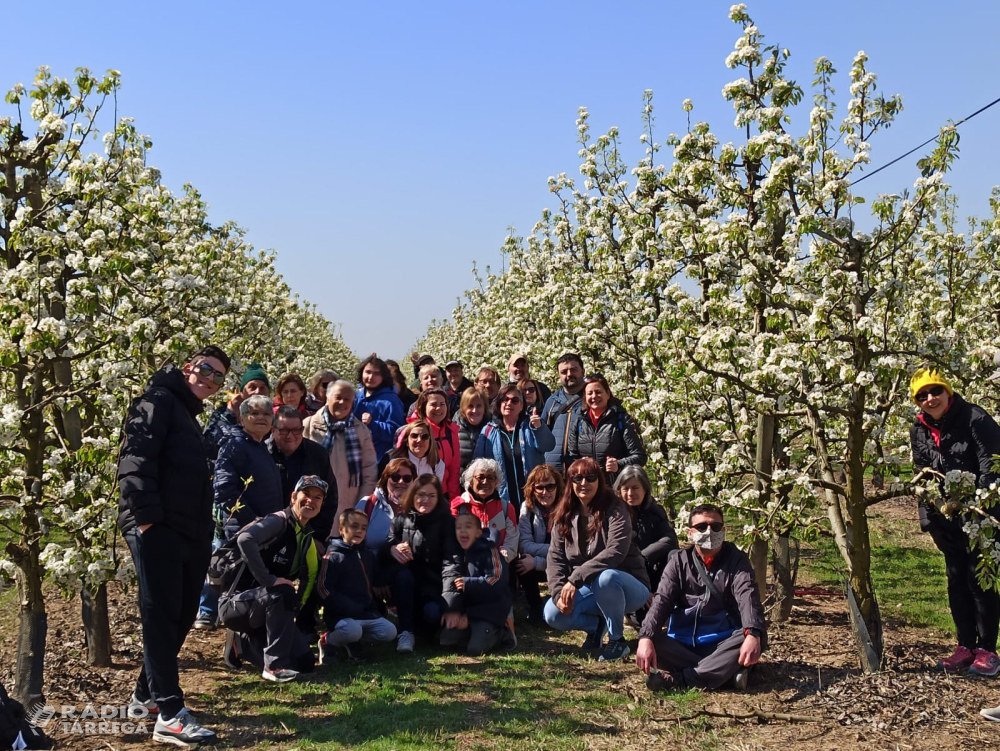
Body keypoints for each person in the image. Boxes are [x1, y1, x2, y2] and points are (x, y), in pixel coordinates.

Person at [118, 344, 230, 746]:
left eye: (218, 376)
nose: (211, 379)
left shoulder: (187, 414)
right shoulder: (157, 401)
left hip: (187, 529)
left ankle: (144, 697)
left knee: (182, 615)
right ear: (188, 368)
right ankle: (169, 713)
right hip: (158, 526)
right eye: (206, 369)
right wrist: (147, 520)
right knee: (161, 614)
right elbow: (135, 459)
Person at [909, 368, 1000, 675]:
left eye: (935, 391)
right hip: (945, 517)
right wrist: (930, 523)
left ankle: (987, 649)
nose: (930, 398)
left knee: (979, 579)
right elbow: (923, 478)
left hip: (981, 515)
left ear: (948, 391)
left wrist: (981, 510)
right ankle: (965, 646)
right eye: (922, 395)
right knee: (956, 580)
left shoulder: (975, 418)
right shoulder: (918, 429)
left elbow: (992, 465)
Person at [636, 503, 766, 692]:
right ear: (690, 533)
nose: (709, 531)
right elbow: (662, 600)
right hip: (683, 643)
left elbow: (748, 597)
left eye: (715, 526)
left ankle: (681, 679)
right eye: (701, 527)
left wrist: (753, 633)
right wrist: (646, 636)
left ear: (723, 529)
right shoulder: (679, 561)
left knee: (751, 636)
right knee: (649, 640)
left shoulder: (737, 560)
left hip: (723, 642)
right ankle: (724, 673)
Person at [218, 475, 325, 684]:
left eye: (317, 497)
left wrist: (296, 606)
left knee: (304, 663)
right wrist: (268, 579)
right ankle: (274, 667)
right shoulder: (279, 521)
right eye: (306, 495)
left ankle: (241, 645)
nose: (311, 501)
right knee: (283, 591)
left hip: (269, 609)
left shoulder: (306, 537)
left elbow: (311, 576)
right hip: (236, 604)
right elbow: (245, 539)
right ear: (293, 497)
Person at [544, 457, 650, 662]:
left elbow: (615, 552)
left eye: (590, 478)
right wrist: (559, 593)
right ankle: (596, 627)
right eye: (577, 478)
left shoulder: (616, 508)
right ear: (570, 483)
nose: (584, 483)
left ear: (599, 481)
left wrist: (575, 578)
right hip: (588, 587)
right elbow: (555, 558)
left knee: (606, 577)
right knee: (552, 614)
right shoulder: (564, 513)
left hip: (627, 585)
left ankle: (617, 641)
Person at [197, 394, 285, 630]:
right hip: (244, 532)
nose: (260, 418)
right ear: (242, 418)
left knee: (254, 592)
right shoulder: (235, 444)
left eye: (266, 414)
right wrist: (253, 522)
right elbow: (225, 491)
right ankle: (236, 645)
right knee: (239, 593)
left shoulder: (259, 447)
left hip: (262, 532)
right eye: (254, 413)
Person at [384, 475, 459, 652]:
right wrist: (392, 548)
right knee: (403, 575)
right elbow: (387, 542)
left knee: (432, 614)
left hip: (436, 587)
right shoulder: (401, 520)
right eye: (421, 494)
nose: (426, 500)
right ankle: (405, 632)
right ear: (413, 495)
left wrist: (451, 604)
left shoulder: (448, 522)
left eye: (432, 495)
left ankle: (428, 629)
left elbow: (452, 562)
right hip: (409, 588)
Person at [317, 509, 397, 663]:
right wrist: (348, 607)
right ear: (341, 529)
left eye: (363, 528)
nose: (359, 531)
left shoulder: (367, 555)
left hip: (366, 613)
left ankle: (352, 643)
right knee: (352, 630)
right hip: (341, 616)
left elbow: (376, 583)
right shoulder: (332, 557)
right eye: (354, 526)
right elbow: (323, 590)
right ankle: (328, 641)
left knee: (389, 631)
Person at [441, 505, 517, 655]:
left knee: (475, 649)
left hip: (491, 610)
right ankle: (472, 632)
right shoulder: (458, 552)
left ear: (478, 532)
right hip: (471, 610)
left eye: (468, 527)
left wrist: (469, 583)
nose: (462, 531)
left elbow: (496, 579)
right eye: (458, 527)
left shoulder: (489, 550)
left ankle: (503, 632)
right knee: (446, 639)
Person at [302, 380, 378, 523]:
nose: (342, 402)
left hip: (348, 504)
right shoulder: (309, 425)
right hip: (312, 502)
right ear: (328, 398)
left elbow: (369, 469)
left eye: (347, 399)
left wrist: (361, 504)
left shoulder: (361, 431)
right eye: (338, 397)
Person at [474, 383, 554, 511]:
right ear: (499, 403)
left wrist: (539, 428)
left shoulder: (531, 425)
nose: (508, 403)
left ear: (522, 406)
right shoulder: (488, 430)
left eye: (514, 400)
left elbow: (548, 446)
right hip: (501, 499)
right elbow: (477, 464)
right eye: (504, 399)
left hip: (533, 497)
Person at [614, 466, 678, 628]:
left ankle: (668, 601)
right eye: (625, 488)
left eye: (635, 488)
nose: (630, 493)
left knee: (675, 555)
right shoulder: (614, 515)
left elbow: (669, 540)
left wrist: (643, 557)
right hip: (628, 573)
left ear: (645, 489)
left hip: (651, 568)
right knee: (643, 620)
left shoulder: (655, 511)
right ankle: (629, 610)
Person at [268, 405, 339, 542]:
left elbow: (329, 498)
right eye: (284, 431)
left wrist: (317, 538)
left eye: (296, 430)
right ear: (273, 430)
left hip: (306, 536)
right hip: (267, 535)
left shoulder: (318, 454)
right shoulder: (262, 454)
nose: (290, 436)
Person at [568, 374, 646, 483]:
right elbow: (571, 457)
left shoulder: (621, 420)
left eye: (598, 392)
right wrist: (580, 463)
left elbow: (640, 457)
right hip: (588, 487)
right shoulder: (580, 422)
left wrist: (618, 464)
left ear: (608, 394)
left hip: (614, 488)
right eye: (590, 393)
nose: (594, 396)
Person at [516, 465, 564, 624]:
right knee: (521, 562)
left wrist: (537, 562)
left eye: (550, 486)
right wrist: (551, 553)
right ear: (532, 489)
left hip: (563, 565)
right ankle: (535, 607)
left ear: (557, 486)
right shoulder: (527, 508)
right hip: (539, 561)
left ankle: (560, 602)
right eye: (540, 487)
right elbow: (525, 545)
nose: (545, 492)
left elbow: (569, 552)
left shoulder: (567, 508)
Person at [452, 459, 519, 564]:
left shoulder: (507, 508)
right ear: (470, 481)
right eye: (480, 477)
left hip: (498, 568)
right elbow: (452, 542)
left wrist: (495, 561)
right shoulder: (458, 507)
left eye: (490, 478)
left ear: (496, 482)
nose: (485, 481)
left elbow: (511, 545)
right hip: (466, 567)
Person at [203, 361, 269, 461]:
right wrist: (231, 412)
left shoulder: (273, 419)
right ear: (242, 393)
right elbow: (209, 446)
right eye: (252, 387)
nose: (258, 392)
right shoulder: (222, 414)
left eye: (262, 388)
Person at [357, 457, 416, 556]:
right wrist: (388, 550)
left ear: (414, 482)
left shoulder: (419, 509)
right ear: (386, 479)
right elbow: (350, 542)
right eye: (395, 477)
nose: (401, 482)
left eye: (407, 478)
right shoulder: (367, 504)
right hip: (370, 568)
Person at [408, 388, 461, 497]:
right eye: (433, 404)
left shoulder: (451, 431)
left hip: (443, 493)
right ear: (423, 407)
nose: (438, 408)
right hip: (417, 493)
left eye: (442, 404)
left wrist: (453, 497)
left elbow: (454, 468)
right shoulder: (413, 432)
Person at [353, 354, 405, 462]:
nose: (371, 377)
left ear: (383, 377)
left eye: (376, 374)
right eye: (368, 372)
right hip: (356, 459)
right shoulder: (356, 397)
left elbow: (397, 433)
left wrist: (373, 424)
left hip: (379, 461)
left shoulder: (390, 401)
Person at [541, 353, 585, 472]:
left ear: (583, 371)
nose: (569, 374)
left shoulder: (591, 399)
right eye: (564, 372)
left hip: (581, 472)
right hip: (554, 473)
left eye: (574, 369)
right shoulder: (552, 401)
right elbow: (543, 435)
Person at [455, 388, 489, 473]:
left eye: (479, 406)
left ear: (484, 408)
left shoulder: (493, 430)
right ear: (463, 408)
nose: (474, 410)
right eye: (470, 406)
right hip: (461, 483)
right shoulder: (454, 430)